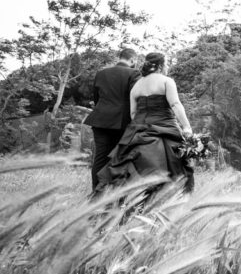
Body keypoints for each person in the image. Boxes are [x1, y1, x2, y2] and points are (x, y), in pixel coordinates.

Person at [95, 52, 195, 194]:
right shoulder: (166, 81)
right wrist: (187, 127)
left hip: (139, 130)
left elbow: (133, 114)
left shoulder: (137, 86)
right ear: (161, 65)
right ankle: (171, 199)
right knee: (177, 165)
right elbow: (175, 104)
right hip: (165, 127)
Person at [84, 48, 140, 190]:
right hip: (122, 122)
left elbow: (96, 98)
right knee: (120, 157)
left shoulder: (101, 73)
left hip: (100, 120)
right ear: (132, 60)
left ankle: (96, 192)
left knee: (100, 157)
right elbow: (134, 98)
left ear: (119, 57)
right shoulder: (134, 73)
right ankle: (115, 192)